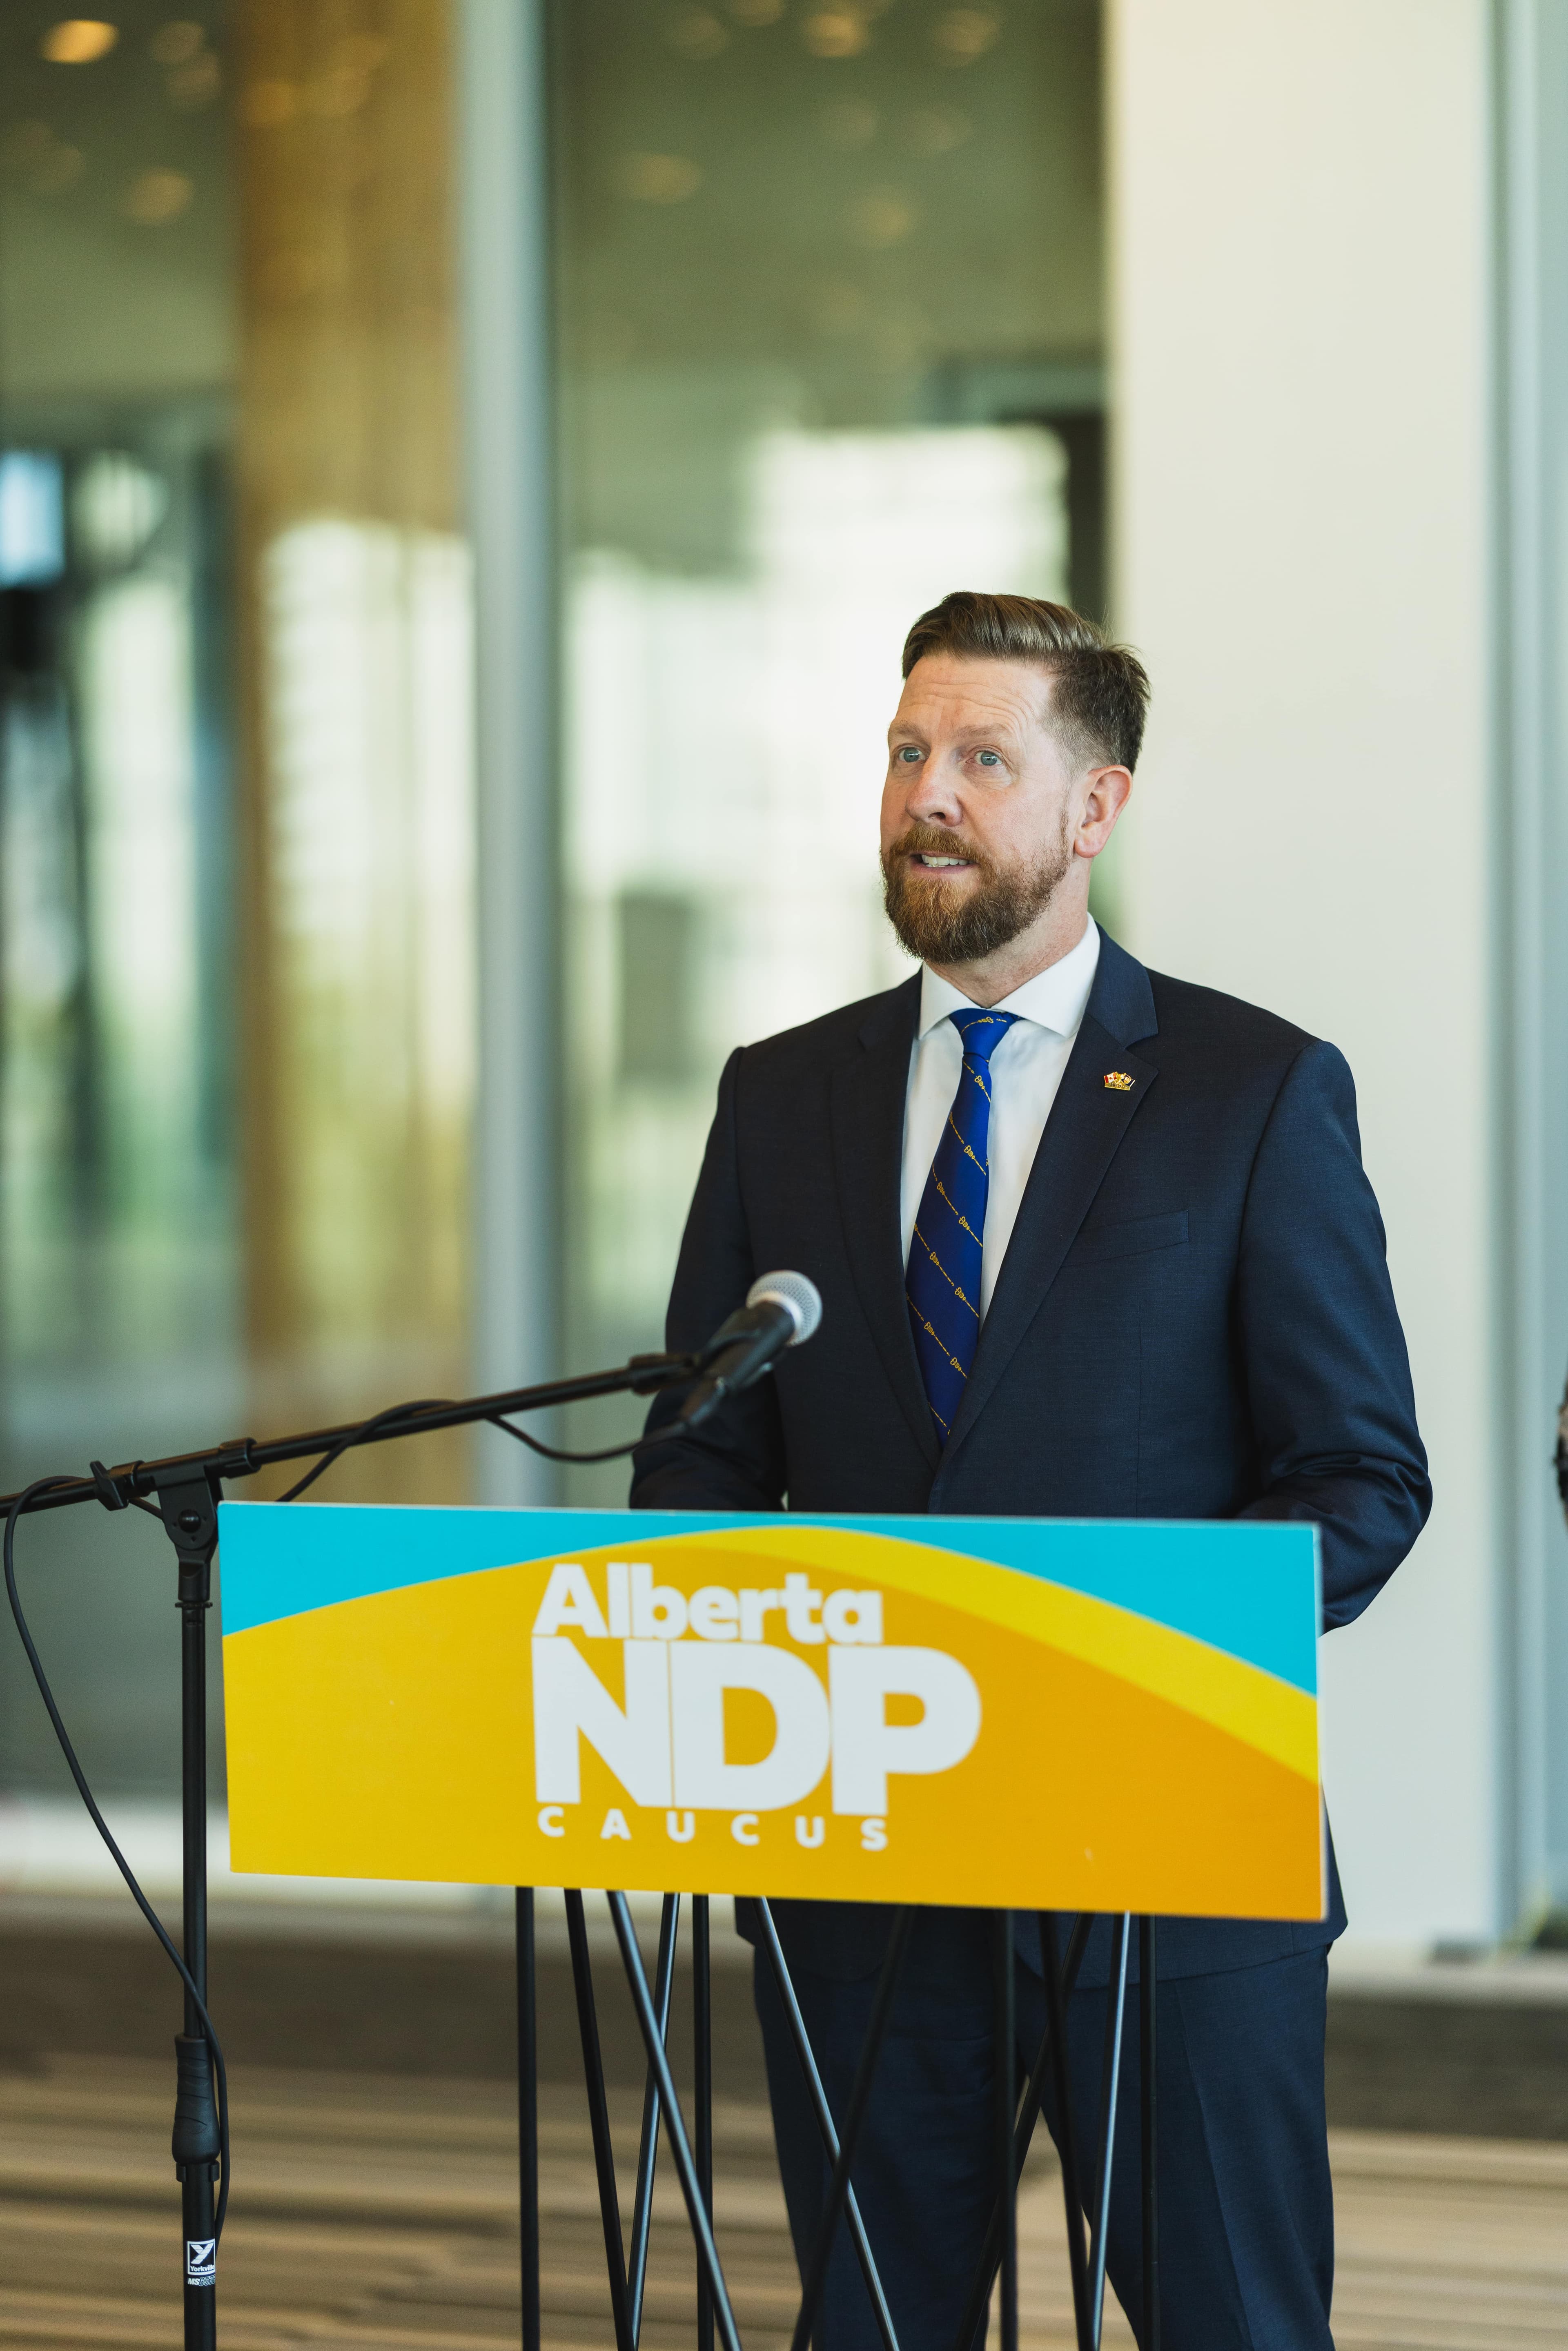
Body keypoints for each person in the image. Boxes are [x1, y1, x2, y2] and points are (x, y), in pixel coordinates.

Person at [631, 591, 1430, 2351]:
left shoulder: (1253, 1090)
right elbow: (697, 1466)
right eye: (909, 751)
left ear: (1096, 807)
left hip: (1168, 1862)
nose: (929, 793)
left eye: (984, 759)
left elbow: (1362, 1475)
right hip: (862, 1862)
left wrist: (1124, 1654)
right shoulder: (779, 1097)